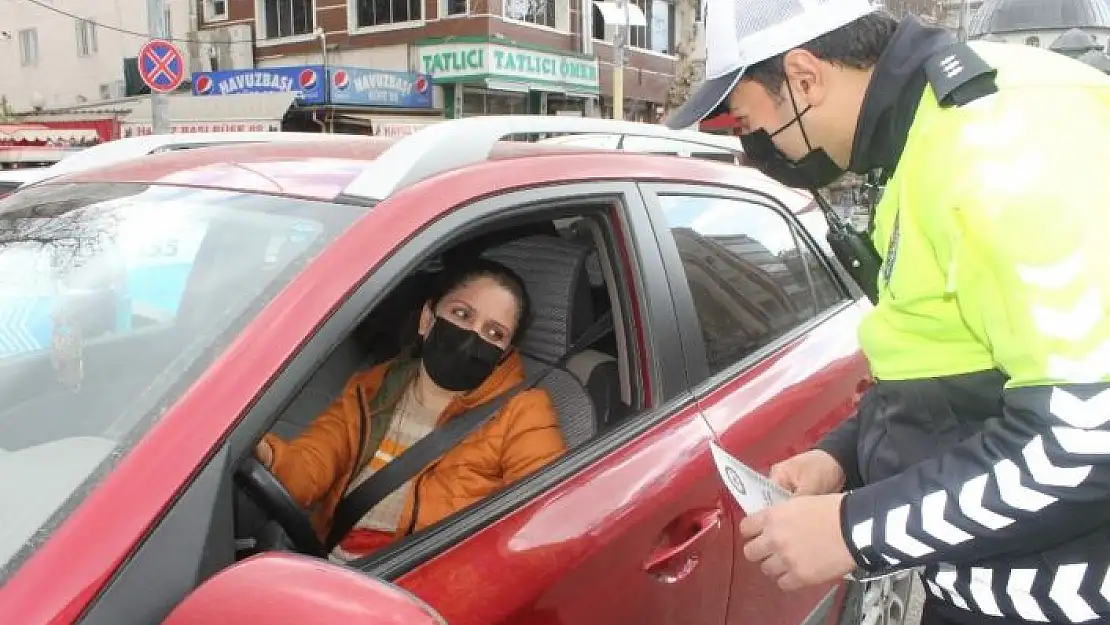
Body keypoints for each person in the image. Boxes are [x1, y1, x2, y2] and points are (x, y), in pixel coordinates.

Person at [666, 2, 1110, 625]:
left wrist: (853, 532)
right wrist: (842, 456)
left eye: (745, 121)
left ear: (804, 78)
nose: (753, 148)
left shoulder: (998, 146)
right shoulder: (930, 134)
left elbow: (1084, 437)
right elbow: (951, 363)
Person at [256, 257, 566, 562]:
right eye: (462, 314)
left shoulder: (523, 411)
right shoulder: (374, 388)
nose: (473, 337)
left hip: (419, 586)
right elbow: (310, 467)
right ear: (427, 320)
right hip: (333, 565)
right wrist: (264, 454)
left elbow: (543, 521)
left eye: (494, 333)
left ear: (505, 353)